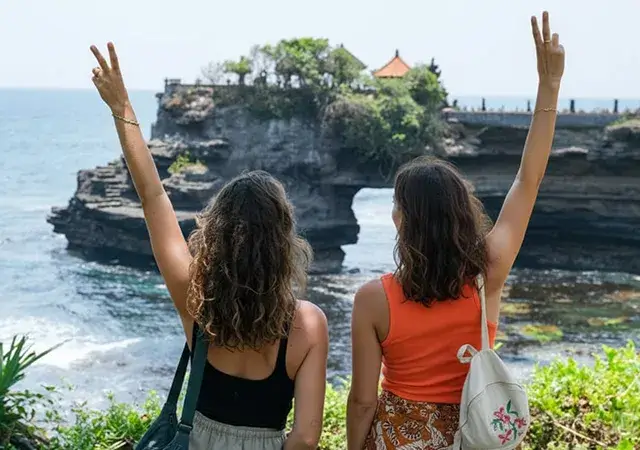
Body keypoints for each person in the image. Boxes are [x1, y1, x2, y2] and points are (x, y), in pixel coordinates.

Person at [88, 43, 329, 450]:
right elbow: (305, 438)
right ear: (283, 239)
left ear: (216, 235)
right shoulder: (307, 325)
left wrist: (122, 107)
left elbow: (152, 196)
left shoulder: (196, 299)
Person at [346, 11, 565, 450]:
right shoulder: (489, 273)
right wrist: (550, 87)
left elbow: (362, 402)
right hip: (472, 436)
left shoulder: (374, 299)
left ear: (401, 220)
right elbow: (527, 180)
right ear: (462, 213)